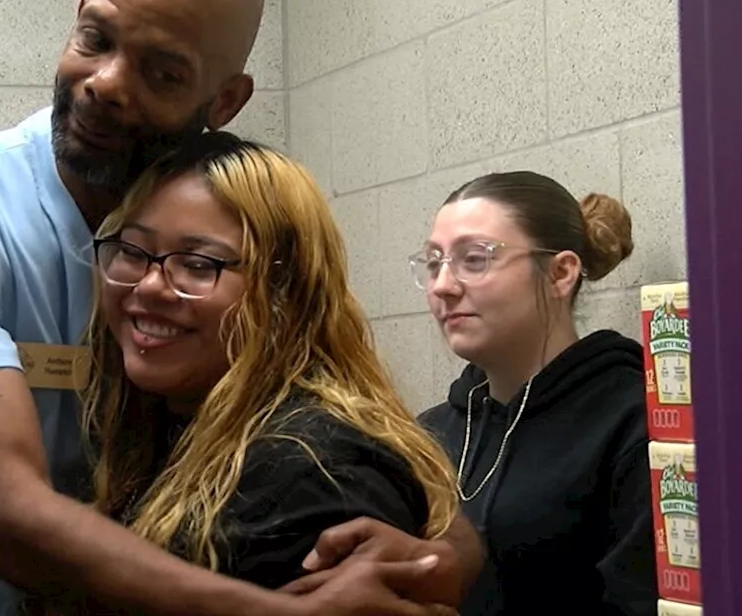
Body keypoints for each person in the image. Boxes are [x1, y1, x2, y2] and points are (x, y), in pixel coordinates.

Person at [0, 0, 483, 614]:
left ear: (224, 99)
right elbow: (5, 513)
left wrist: (447, 553)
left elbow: (336, 392)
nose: (105, 81)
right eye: (95, 38)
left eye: (161, 72)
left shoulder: (221, 204)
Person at [39, 134, 463, 613]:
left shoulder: (315, 470)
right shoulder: (156, 426)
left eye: (198, 264)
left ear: (283, 291)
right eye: (133, 252)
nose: (150, 285)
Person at [413, 171, 658, 615]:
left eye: (474, 259)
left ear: (561, 273)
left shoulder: (633, 423)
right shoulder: (427, 436)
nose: (442, 286)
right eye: (434, 263)